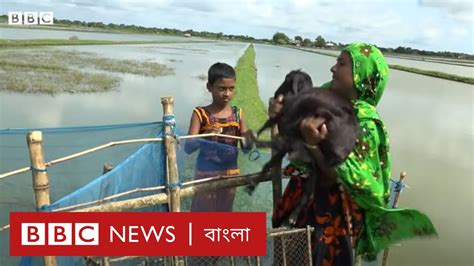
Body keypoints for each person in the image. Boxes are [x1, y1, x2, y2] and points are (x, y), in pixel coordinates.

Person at [271, 43, 437, 265]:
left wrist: (313, 145)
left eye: (341, 63)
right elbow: (296, 142)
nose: (333, 68)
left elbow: (340, 176)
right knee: (288, 255)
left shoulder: (364, 124)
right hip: (302, 205)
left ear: (362, 75)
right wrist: (280, 118)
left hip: (333, 216)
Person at [185, 62, 249, 212]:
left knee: (224, 212)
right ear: (209, 87)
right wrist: (206, 135)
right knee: (203, 212)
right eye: (221, 89)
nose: (227, 94)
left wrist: (248, 139)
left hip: (230, 174)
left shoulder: (238, 114)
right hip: (205, 174)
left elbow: (246, 149)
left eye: (231, 89)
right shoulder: (200, 114)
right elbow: (188, 147)